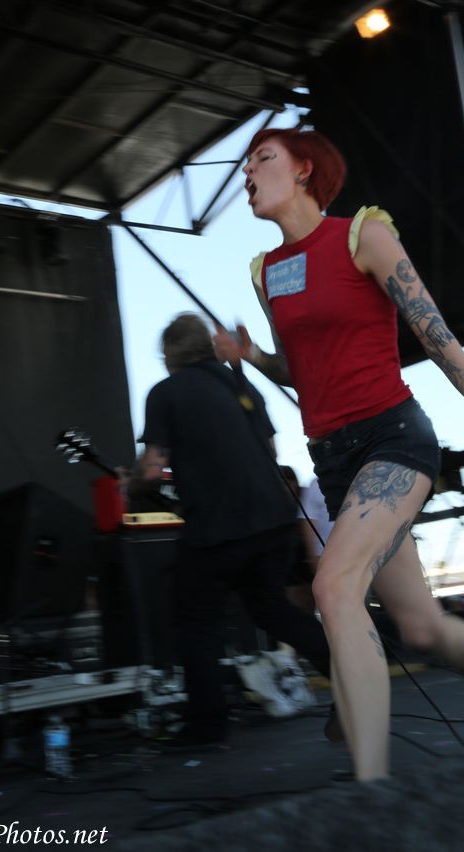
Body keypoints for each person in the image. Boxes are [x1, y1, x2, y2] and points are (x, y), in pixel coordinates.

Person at [213, 126, 464, 781]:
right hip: (334, 463)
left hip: (392, 438)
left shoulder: (363, 234)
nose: (247, 172)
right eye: (246, 163)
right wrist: (253, 357)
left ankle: (372, 794)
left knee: (334, 587)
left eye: (262, 158)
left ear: (304, 170)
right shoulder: (266, 272)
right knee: (421, 629)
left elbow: (434, 333)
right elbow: (301, 373)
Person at [140, 312, 330, 747]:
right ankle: (351, 674)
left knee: (196, 621)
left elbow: (152, 469)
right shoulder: (241, 385)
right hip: (273, 519)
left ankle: (207, 726)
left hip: (217, 525)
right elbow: (270, 450)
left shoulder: (165, 393)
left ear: (169, 353)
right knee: (272, 609)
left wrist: (129, 481)